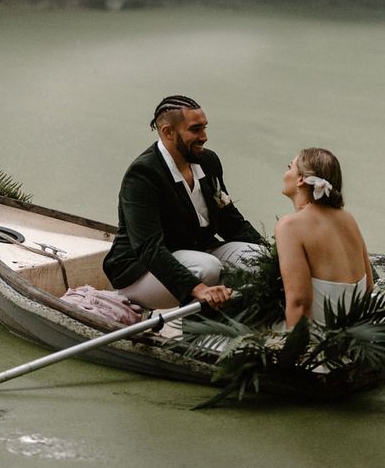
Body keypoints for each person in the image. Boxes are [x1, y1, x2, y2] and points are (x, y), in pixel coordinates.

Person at [103, 95, 264, 310]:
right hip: (141, 272)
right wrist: (199, 289)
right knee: (208, 269)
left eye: (205, 128)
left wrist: (276, 256)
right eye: (195, 129)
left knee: (259, 259)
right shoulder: (143, 174)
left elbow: (231, 222)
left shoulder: (208, 161)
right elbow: (148, 248)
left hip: (198, 253)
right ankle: (194, 334)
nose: (204, 137)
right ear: (168, 132)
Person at [275, 147, 375, 329]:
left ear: (300, 179)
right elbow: (369, 285)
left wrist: (295, 351)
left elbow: (299, 302)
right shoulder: (347, 218)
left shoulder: (290, 226)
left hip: (320, 336)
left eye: (289, 167)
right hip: (356, 330)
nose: (285, 172)